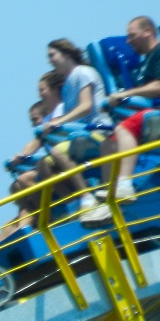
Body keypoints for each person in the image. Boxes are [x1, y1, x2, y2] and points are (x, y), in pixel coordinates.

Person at [80, 16, 160, 227]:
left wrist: (125, 94)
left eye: (132, 36)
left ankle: (125, 184)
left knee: (125, 128)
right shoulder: (145, 63)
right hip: (154, 115)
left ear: (148, 31)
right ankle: (109, 199)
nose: (128, 41)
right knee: (108, 142)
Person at [33, 39, 111, 213]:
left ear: (66, 54)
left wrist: (59, 121)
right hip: (80, 135)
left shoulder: (82, 72)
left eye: (52, 55)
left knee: (57, 152)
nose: (49, 61)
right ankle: (75, 204)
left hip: (98, 131)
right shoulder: (68, 84)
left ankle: (86, 197)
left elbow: (86, 106)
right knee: (45, 165)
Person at [0, 72, 65, 243]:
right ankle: (11, 237)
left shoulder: (62, 111)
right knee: (16, 189)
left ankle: (50, 218)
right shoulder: (48, 120)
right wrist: (19, 157)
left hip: (64, 163)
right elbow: (35, 143)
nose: (39, 94)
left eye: (42, 90)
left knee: (25, 180)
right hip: (52, 166)